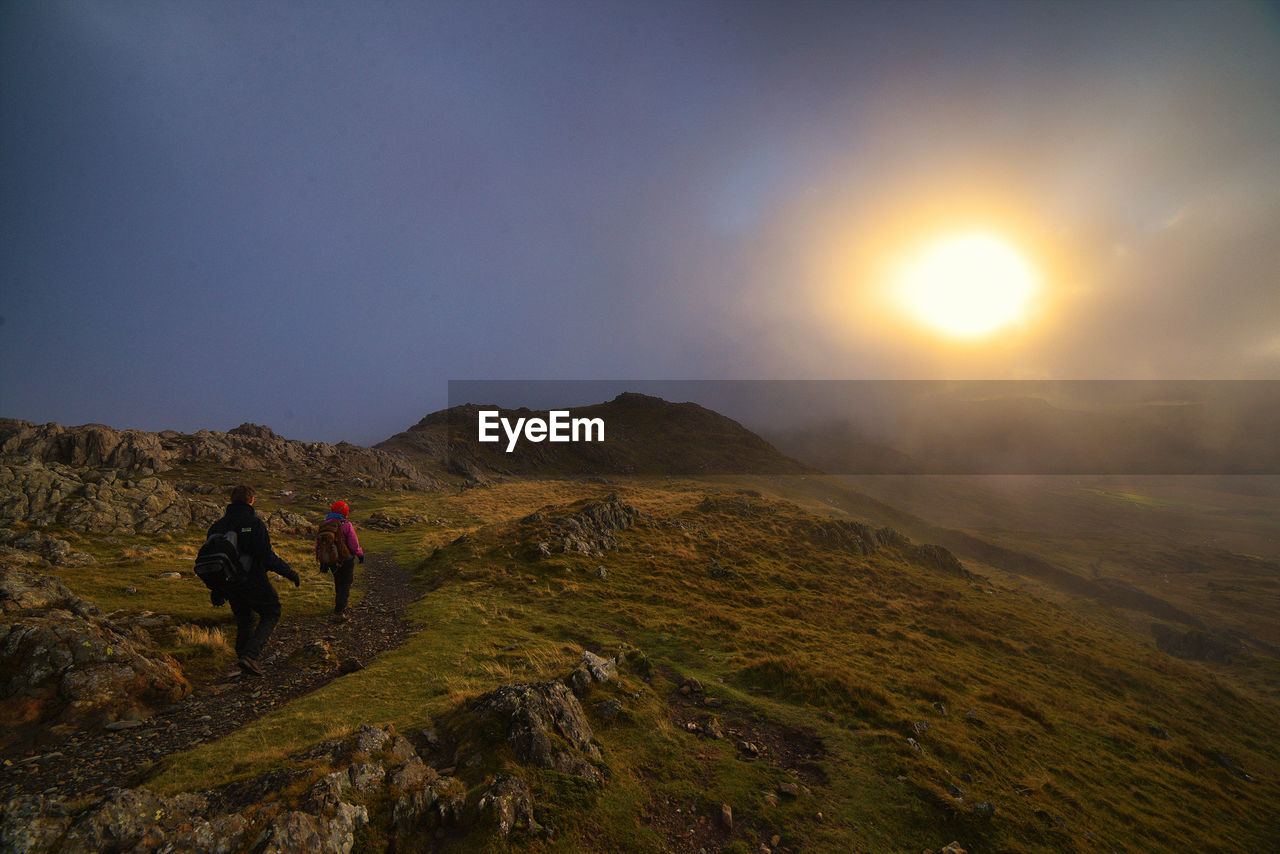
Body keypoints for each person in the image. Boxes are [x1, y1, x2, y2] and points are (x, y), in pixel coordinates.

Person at [207, 484, 299, 675]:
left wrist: (217, 589)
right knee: (272, 611)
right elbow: (266, 556)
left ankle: (243, 659)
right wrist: (289, 573)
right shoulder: (254, 523)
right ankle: (250, 656)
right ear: (251, 500)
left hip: (228, 583)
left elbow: (212, 559)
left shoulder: (217, 526)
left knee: (244, 619)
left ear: (232, 500)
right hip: (252, 580)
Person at [315, 499, 364, 623]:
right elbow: (353, 544)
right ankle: (339, 609)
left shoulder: (325, 525)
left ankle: (339, 604)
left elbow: (318, 545)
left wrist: (323, 561)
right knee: (346, 583)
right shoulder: (346, 524)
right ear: (344, 512)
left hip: (332, 560)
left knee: (338, 581)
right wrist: (359, 554)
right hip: (346, 559)